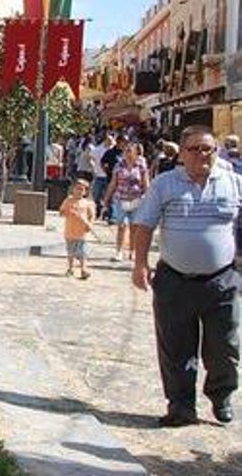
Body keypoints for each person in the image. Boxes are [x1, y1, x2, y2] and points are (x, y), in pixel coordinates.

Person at [131, 126, 240, 427]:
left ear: (216, 152)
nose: (201, 155)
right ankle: (180, 406)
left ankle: (221, 395)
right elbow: (144, 224)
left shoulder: (233, 183)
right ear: (181, 153)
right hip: (174, 279)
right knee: (175, 347)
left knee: (225, 345)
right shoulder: (165, 184)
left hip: (222, 280)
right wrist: (140, 263)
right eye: (194, 149)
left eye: (208, 149)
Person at [102, 142, 149, 262]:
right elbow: (113, 182)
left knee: (134, 226)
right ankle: (119, 251)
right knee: (121, 226)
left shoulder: (141, 165)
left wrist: (149, 198)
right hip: (120, 198)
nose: (127, 153)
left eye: (129, 150)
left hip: (136, 199)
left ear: (135, 152)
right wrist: (106, 199)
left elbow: (145, 183)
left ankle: (132, 251)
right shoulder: (119, 165)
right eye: (126, 150)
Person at [59, 179, 97, 280]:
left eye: (82, 189)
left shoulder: (87, 203)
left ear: (85, 192)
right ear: (73, 189)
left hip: (82, 233)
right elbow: (61, 212)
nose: (79, 191)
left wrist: (90, 224)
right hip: (70, 231)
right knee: (71, 251)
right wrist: (68, 212)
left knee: (82, 252)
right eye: (77, 188)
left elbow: (92, 216)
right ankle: (71, 268)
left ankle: (83, 269)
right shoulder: (68, 200)